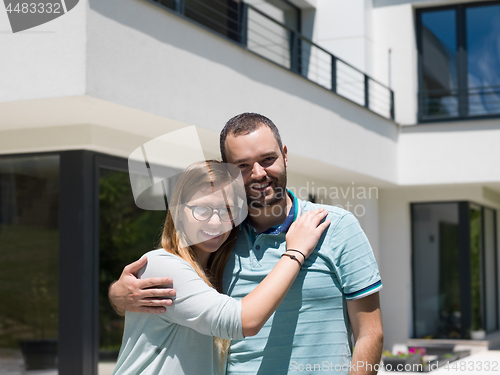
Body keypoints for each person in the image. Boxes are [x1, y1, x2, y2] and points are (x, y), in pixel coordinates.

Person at [110, 113, 384, 375]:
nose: (258, 173)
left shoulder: (335, 226)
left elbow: (370, 333)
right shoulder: (219, 238)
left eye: (268, 159)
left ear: (285, 155)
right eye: (242, 165)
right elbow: (189, 296)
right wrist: (118, 295)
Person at [111, 160, 329, 375]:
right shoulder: (164, 266)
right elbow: (244, 321)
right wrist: (295, 252)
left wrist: (115, 296)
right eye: (202, 209)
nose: (216, 222)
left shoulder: (216, 274)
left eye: (227, 210)